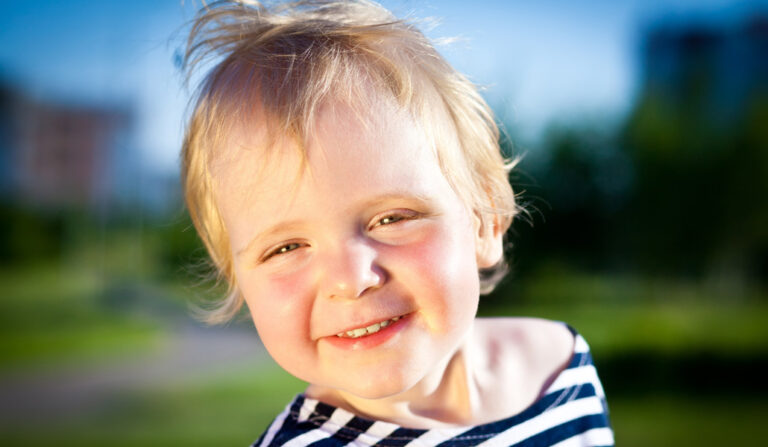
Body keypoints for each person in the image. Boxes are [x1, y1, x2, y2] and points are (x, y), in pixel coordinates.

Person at [179, 1, 613, 445]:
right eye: (286, 247)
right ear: (238, 280)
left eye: (390, 219)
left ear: (484, 220)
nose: (351, 281)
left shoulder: (561, 368)